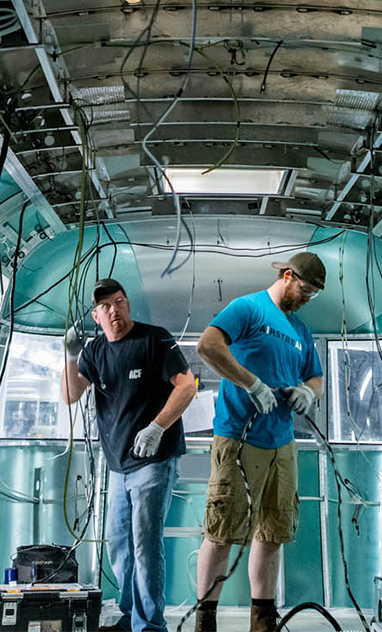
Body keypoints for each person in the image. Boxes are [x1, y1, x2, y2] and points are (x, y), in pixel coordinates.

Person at [192, 253, 328, 632]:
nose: (307, 299)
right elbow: (208, 346)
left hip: (282, 444)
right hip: (239, 438)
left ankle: (262, 622)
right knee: (222, 533)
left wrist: (308, 392)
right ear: (287, 276)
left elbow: (316, 377)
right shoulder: (248, 308)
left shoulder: (300, 330)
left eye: (313, 295)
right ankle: (205, 622)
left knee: (272, 534)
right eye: (305, 290)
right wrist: (250, 383)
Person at [63, 279, 197, 632]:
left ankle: (149, 625)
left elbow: (187, 386)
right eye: (105, 306)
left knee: (144, 544)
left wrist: (156, 428)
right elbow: (70, 394)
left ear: (128, 304)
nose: (114, 310)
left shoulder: (155, 340)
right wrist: (71, 355)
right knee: (119, 543)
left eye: (119, 301)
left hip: (154, 459)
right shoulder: (94, 351)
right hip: (118, 465)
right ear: (96, 316)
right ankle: (130, 615)